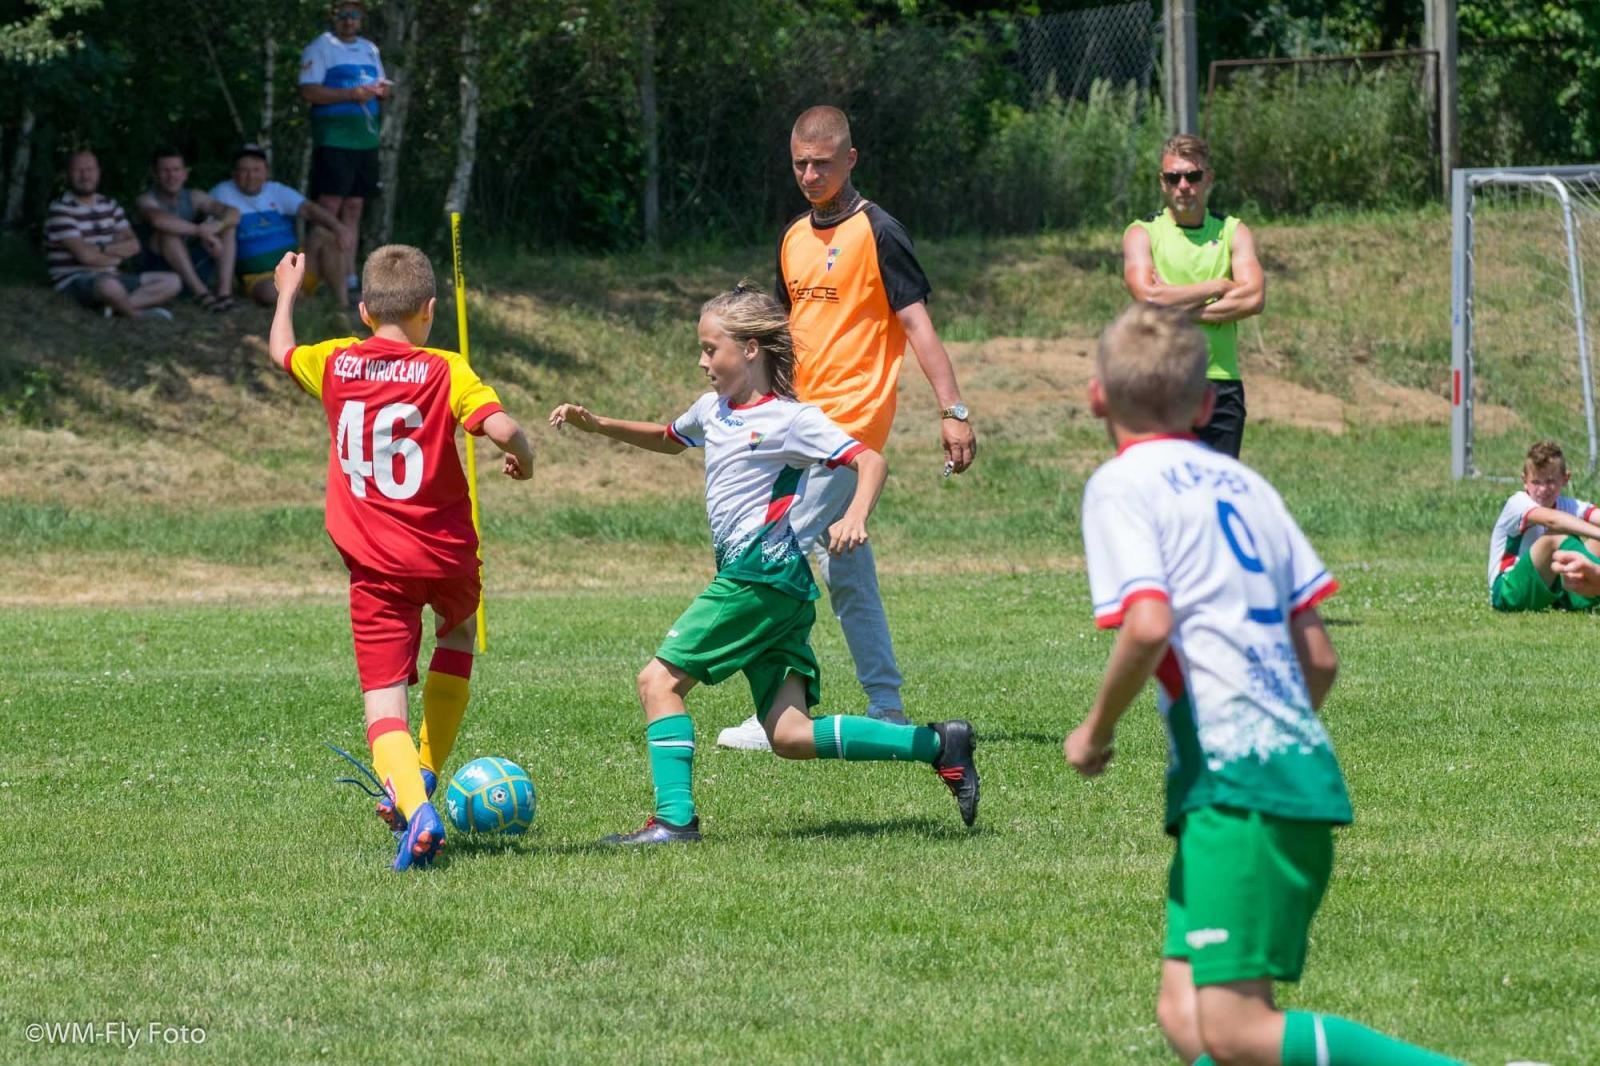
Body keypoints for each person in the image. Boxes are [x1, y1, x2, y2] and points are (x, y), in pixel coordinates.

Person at [1065, 304, 1461, 1066]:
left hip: (1237, 785)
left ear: (1097, 398)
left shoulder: (1123, 484)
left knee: (1237, 1032)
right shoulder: (1248, 487)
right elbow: (1319, 659)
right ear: (1207, 404)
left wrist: (1096, 730)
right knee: (1186, 1019)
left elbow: (1148, 625)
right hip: (1284, 771)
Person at [548, 283, 979, 844]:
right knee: (791, 735)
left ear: (751, 349)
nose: (703, 362)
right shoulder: (714, 410)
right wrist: (598, 424)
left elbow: (869, 459)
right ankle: (938, 744)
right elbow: (668, 437)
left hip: (757, 576)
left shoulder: (791, 419)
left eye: (712, 349)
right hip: (781, 587)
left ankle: (674, 820)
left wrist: (854, 515)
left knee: (658, 682)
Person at [715, 104, 978, 752]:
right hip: (795, 422)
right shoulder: (792, 237)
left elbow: (917, 327)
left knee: (773, 554)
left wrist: (954, 411)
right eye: (801, 163)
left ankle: (780, 709)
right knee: (844, 565)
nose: (810, 174)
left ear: (850, 160)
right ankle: (885, 704)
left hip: (852, 422)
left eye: (823, 163)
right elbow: (780, 334)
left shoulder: (880, 232)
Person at [268, 243, 534, 870]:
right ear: (430, 310)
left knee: (382, 700)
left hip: (376, 569)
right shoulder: (447, 368)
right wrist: (524, 453)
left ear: (363, 311)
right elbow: (500, 427)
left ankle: (417, 811)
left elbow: (279, 349)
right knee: (460, 632)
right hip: (447, 556)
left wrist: (287, 292)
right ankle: (427, 769)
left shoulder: (335, 361)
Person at [1122, 134, 1264, 458]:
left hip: (1221, 383)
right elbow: (1148, 297)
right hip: (1162, 378)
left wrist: (1176, 308)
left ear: (1208, 179)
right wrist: (1217, 286)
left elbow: (1253, 297)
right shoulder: (1142, 233)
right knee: (1163, 496)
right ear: (1163, 182)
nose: (1183, 185)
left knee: (1213, 499)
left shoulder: (1233, 231)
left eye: (1193, 176)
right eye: (1174, 177)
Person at [299, 0, 387, 299]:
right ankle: (313, 276)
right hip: (334, 139)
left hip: (366, 140)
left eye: (355, 15)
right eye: (343, 15)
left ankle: (349, 275)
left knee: (354, 207)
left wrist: (383, 90)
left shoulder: (369, 48)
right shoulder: (320, 46)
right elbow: (309, 91)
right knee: (329, 208)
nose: (349, 21)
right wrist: (352, 94)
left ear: (361, 19)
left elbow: (380, 84)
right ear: (333, 18)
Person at [211, 144, 353, 308]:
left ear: (266, 172)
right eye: (244, 170)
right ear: (234, 173)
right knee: (269, 292)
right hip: (260, 277)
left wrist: (339, 228)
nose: (250, 176)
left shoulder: (276, 190)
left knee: (323, 234)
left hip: (297, 268)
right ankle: (308, 303)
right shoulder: (221, 193)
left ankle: (343, 302)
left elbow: (309, 209)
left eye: (256, 170)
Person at [44, 149, 180, 319]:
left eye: (90, 169)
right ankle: (135, 314)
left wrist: (100, 248)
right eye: (78, 170)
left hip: (112, 276)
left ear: (98, 172)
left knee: (172, 282)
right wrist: (115, 257)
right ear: (67, 174)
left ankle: (113, 306)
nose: (85, 176)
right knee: (109, 286)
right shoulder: (61, 209)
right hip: (75, 279)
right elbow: (85, 256)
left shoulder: (110, 205)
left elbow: (134, 245)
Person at [1486, 439, 1600, 612]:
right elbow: (1553, 520)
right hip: (1507, 592)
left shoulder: (1567, 504)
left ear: (1565, 479)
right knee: (1556, 535)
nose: (1543, 489)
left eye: (1550, 481)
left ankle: (1580, 597)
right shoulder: (1517, 503)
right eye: (1536, 482)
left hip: (1550, 590)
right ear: (1524, 481)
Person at [135, 147, 240, 312]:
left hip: (191, 263)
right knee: (168, 234)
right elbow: (159, 221)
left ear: (185, 173)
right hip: (161, 272)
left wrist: (217, 226)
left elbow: (233, 213)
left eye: (176, 170)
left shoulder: (194, 196)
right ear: (155, 174)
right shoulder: (146, 199)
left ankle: (224, 294)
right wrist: (202, 231)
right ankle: (202, 295)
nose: (172, 176)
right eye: (165, 171)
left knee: (228, 228)